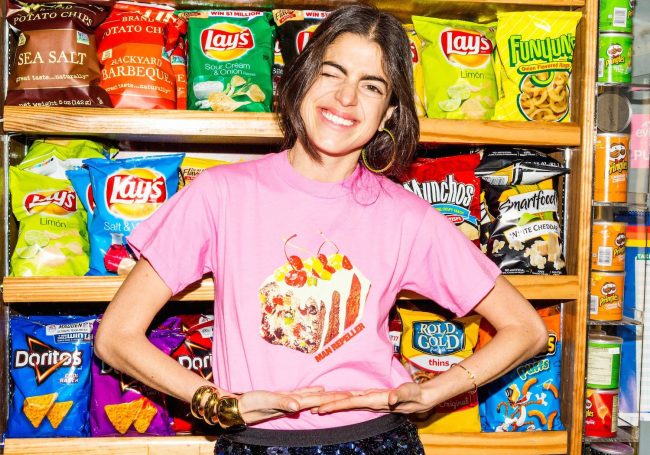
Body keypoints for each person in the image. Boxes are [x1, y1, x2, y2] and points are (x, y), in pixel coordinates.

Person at [95, 4, 548, 454]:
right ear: (302, 79)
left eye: (371, 86)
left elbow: (526, 328)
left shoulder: (406, 217)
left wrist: (433, 392)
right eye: (332, 73)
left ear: (388, 114)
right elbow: (116, 336)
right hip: (253, 444)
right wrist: (216, 403)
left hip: (376, 442)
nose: (346, 98)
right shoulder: (219, 194)